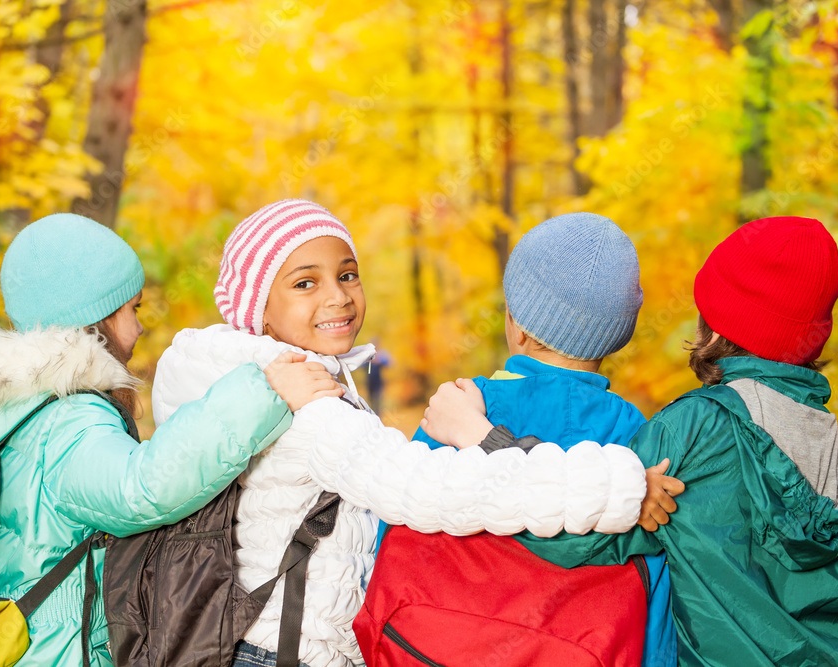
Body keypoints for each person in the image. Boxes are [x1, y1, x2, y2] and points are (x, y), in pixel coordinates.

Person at [151, 200, 655, 667]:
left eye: (347, 275)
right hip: (287, 648)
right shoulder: (302, 403)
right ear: (256, 307)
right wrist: (622, 488)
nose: (337, 296)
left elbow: (397, 542)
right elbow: (423, 489)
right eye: (305, 283)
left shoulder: (262, 386)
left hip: (284, 640)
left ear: (515, 323)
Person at [429, 216, 838, 666]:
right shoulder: (832, 448)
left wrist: (485, 441)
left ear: (715, 326)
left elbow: (568, 531)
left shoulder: (694, 428)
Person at [0, 213, 315, 666]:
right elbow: (141, 488)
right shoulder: (67, 417)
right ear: (95, 318)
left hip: (10, 642)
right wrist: (264, 394)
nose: (138, 328)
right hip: (58, 649)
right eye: (132, 309)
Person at [289, 212, 681, 666]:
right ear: (617, 337)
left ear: (516, 324)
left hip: (436, 647)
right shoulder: (640, 438)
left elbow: (396, 528)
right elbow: (654, 583)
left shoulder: (463, 406)